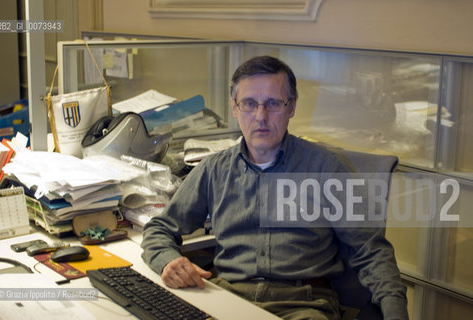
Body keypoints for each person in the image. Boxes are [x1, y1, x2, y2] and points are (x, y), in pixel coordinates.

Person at [141, 55, 408, 320]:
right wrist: (167, 261)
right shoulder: (215, 169)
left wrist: (396, 313)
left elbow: (371, 252)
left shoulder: (327, 169)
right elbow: (159, 229)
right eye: (249, 103)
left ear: (291, 108)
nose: (261, 116)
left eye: (273, 103)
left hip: (303, 306)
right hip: (227, 299)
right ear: (234, 108)